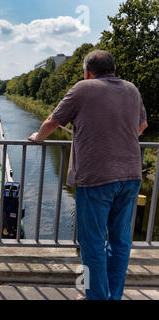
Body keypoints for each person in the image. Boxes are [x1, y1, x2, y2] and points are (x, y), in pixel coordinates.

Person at [28, 50, 148, 300]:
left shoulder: (83, 88)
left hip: (96, 178)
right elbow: (142, 126)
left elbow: (54, 121)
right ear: (113, 69)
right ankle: (111, 296)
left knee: (92, 244)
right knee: (120, 242)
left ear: (87, 72)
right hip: (131, 175)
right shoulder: (132, 89)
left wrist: (37, 137)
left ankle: (96, 297)